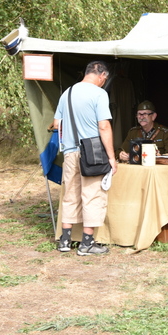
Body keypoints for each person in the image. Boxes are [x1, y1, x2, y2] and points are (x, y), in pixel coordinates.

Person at [52, 61, 118, 256]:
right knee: (92, 195)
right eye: (105, 79)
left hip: (70, 152)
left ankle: (65, 240)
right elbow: (104, 126)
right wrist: (112, 157)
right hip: (92, 152)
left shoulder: (67, 93)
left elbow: (56, 124)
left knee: (70, 195)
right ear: (102, 75)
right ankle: (87, 243)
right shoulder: (99, 94)